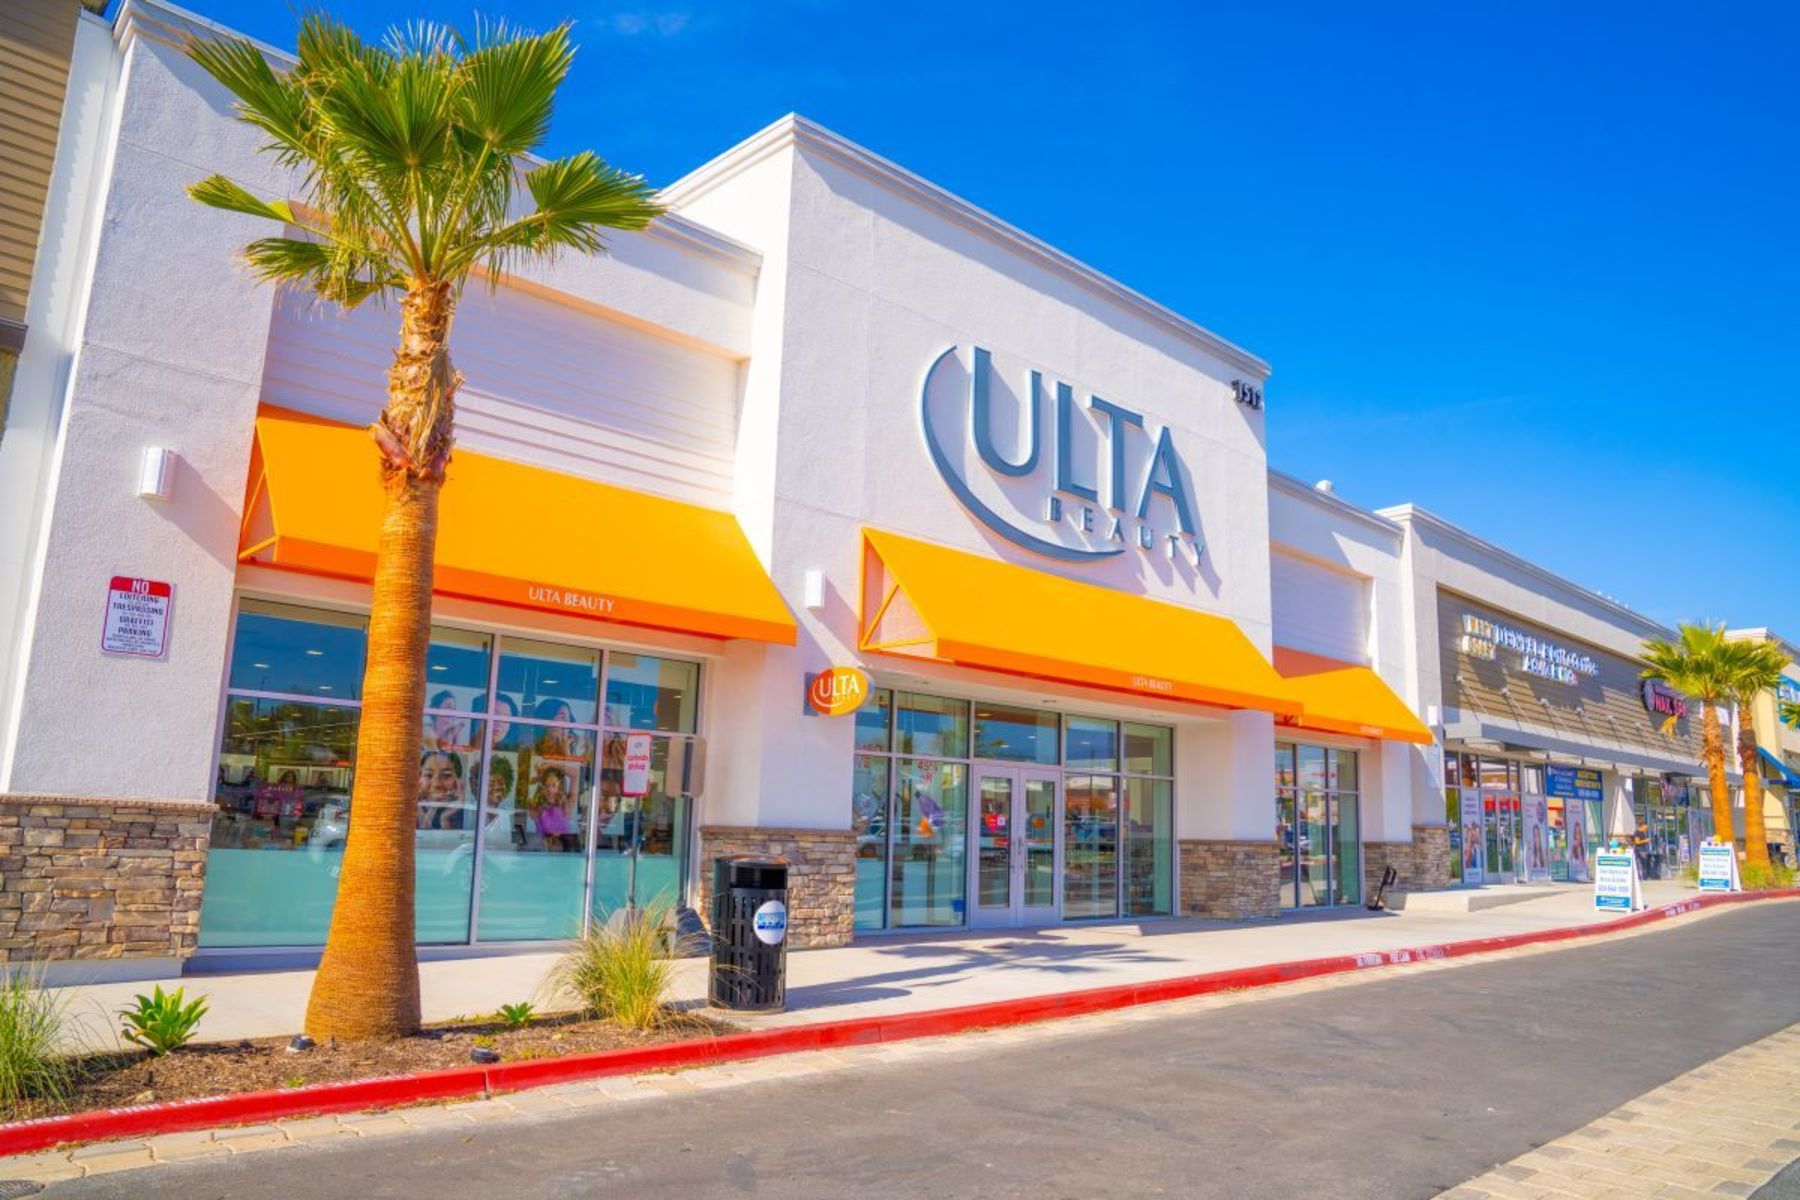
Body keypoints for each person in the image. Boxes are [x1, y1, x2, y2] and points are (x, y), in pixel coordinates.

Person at [418, 749, 467, 830]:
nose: (436, 784)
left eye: (446, 775)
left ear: (458, 782)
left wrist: (445, 818)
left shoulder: (468, 814)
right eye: (428, 775)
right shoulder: (407, 809)